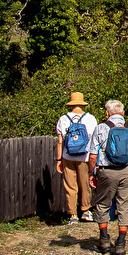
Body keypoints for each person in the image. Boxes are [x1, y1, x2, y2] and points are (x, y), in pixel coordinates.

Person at [90, 100, 128, 255]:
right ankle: (120, 243)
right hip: (127, 171)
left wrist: (91, 173)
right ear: (122, 113)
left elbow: (93, 155)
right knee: (125, 205)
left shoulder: (101, 128)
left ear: (107, 113)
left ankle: (104, 239)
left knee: (102, 204)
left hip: (106, 171)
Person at [54, 92, 98, 224]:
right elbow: (94, 140)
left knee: (70, 186)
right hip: (84, 156)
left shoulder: (63, 119)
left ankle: (73, 215)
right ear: (82, 104)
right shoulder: (90, 119)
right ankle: (85, 211)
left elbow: (60, 141)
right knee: (85, 184)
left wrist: (58, 160)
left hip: (68, 156)